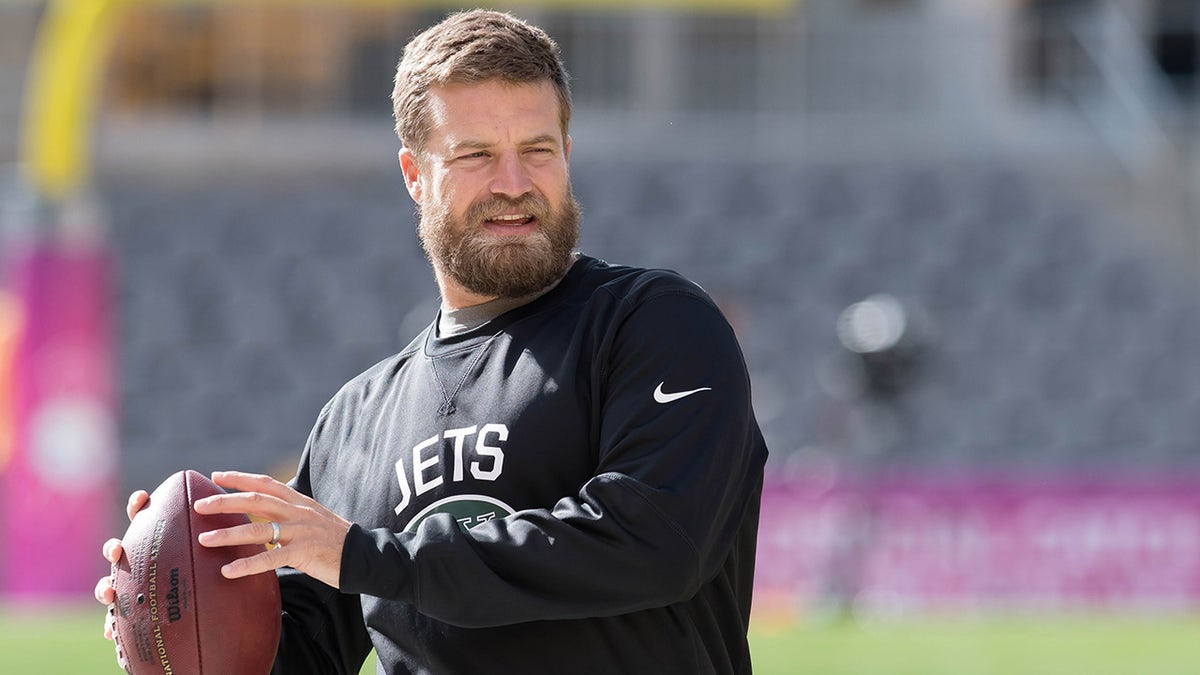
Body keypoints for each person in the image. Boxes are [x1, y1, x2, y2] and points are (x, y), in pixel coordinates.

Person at [95, 9, 768, 674]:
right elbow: (296, 654)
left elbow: (655, 542)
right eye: (475, 155)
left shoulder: (654, 323)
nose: (513, 183)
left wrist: (370, 557)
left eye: (537, 150)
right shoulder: (354, 421)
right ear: (415, 175)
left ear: (566, 155)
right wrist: (167, 612)